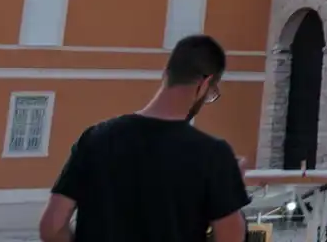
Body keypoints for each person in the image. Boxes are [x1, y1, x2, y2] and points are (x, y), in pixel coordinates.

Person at [38, 35, 251, 242]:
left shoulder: (95, 138)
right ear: (205, 84)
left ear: (165, 75)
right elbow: (230, 236)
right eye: (211, 94)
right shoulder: (214, 155)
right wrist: (231, 190)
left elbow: (52, 228)